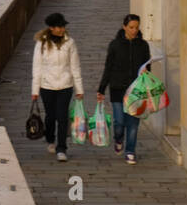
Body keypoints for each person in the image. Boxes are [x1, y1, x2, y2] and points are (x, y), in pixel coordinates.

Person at [97, 14, 152, 165]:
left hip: (136, 90)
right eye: (131, 27)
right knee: (119, 122)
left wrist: (146, 74)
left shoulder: (143, 45)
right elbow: (108, 67)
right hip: (117, 88)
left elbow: (148, 67)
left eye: (136, 27)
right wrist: (101, 89)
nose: (134, 30)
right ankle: (118, 138)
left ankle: (130, 151)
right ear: (124, 27)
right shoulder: (115, 45)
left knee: (133, 123)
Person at [31, 12, 84, 162]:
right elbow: (37, 68)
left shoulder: (70, 43)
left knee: (62, 117)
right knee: (50, 116)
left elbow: (75, 67)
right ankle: (50, 139)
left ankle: (62, 148)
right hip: (46, 86)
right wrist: (35, 91)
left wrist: (79, 89)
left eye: (63, 26)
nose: (61, 29)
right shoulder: (41, 44)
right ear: (51, 28)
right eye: (58, 27)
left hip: (65, 85)